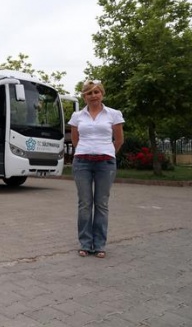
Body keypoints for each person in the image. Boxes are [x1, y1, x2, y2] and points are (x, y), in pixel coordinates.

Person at [68, 80, 124, 258]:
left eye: (96, 92)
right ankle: (85, 243)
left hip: (105, 164)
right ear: (84, 96)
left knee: (101, 204)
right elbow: (75, 140)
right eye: (89, 93)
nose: (93, 96)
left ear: (102, 94)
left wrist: (107, 152)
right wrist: (86, 151)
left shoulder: (113, 114)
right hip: (82, 163)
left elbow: (119, 139)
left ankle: (99, 244)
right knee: (85, 204)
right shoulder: (77, 116)